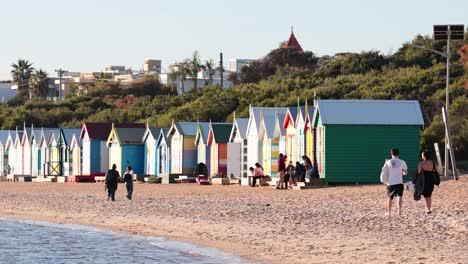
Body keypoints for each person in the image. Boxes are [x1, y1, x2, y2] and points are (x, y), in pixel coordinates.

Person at [415, 149, 441, 214]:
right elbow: (438, 171)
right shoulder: (433, 162)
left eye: (422, 154)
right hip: (431, 180)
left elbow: (418, 172)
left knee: (424, 194)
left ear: (424, 156)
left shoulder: (421, 163)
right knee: (429, 195)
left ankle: (427, 208)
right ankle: (428, 208)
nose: (421, 155)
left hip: (424, 180)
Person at [384, 147, 408, 215]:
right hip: (399, 182)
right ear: (398, 154)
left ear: (391, 153)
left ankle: (389, 212)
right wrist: (402, 171)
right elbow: (405, 173)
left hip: (391, 183)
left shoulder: (388, 162)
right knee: (399, 196)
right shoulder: (402, 162)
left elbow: (385, 172)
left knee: (390, 198)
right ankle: (399, 211)